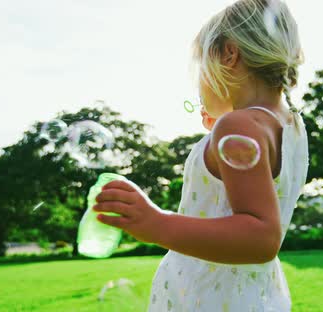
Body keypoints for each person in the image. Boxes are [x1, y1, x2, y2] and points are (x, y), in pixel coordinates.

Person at [93, 0, 308, 310]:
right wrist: (221, 127)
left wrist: (156, 222)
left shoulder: (240, 125)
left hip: (210, 298)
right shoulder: (290, 126)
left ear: (229, 54)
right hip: (249, 294)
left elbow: (261, 237)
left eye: (201, 65)